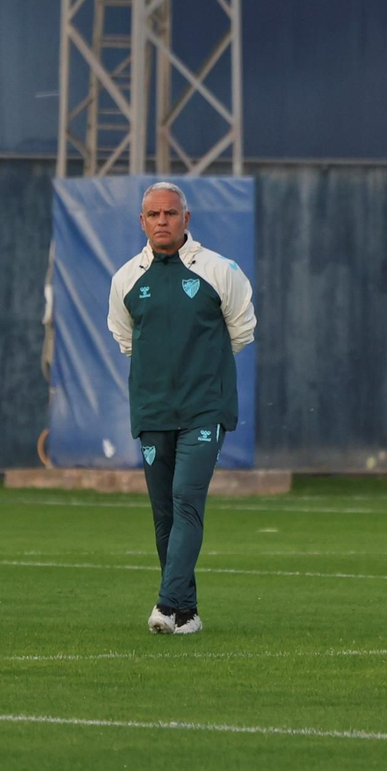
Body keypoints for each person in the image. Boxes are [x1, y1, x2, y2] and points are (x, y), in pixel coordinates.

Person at [107, 181, 255, 635]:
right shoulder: (126, 278)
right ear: (142, 222)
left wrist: (200, 373)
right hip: (153, 410)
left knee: (186, 500)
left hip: (204, 409)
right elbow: (126, 340)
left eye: (170, 213)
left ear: (186, 218)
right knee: (164, 516)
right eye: (153, 215)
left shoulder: (220, 270)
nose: (162, 221)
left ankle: (166, 603)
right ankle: (187, 614)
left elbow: (242, 331)